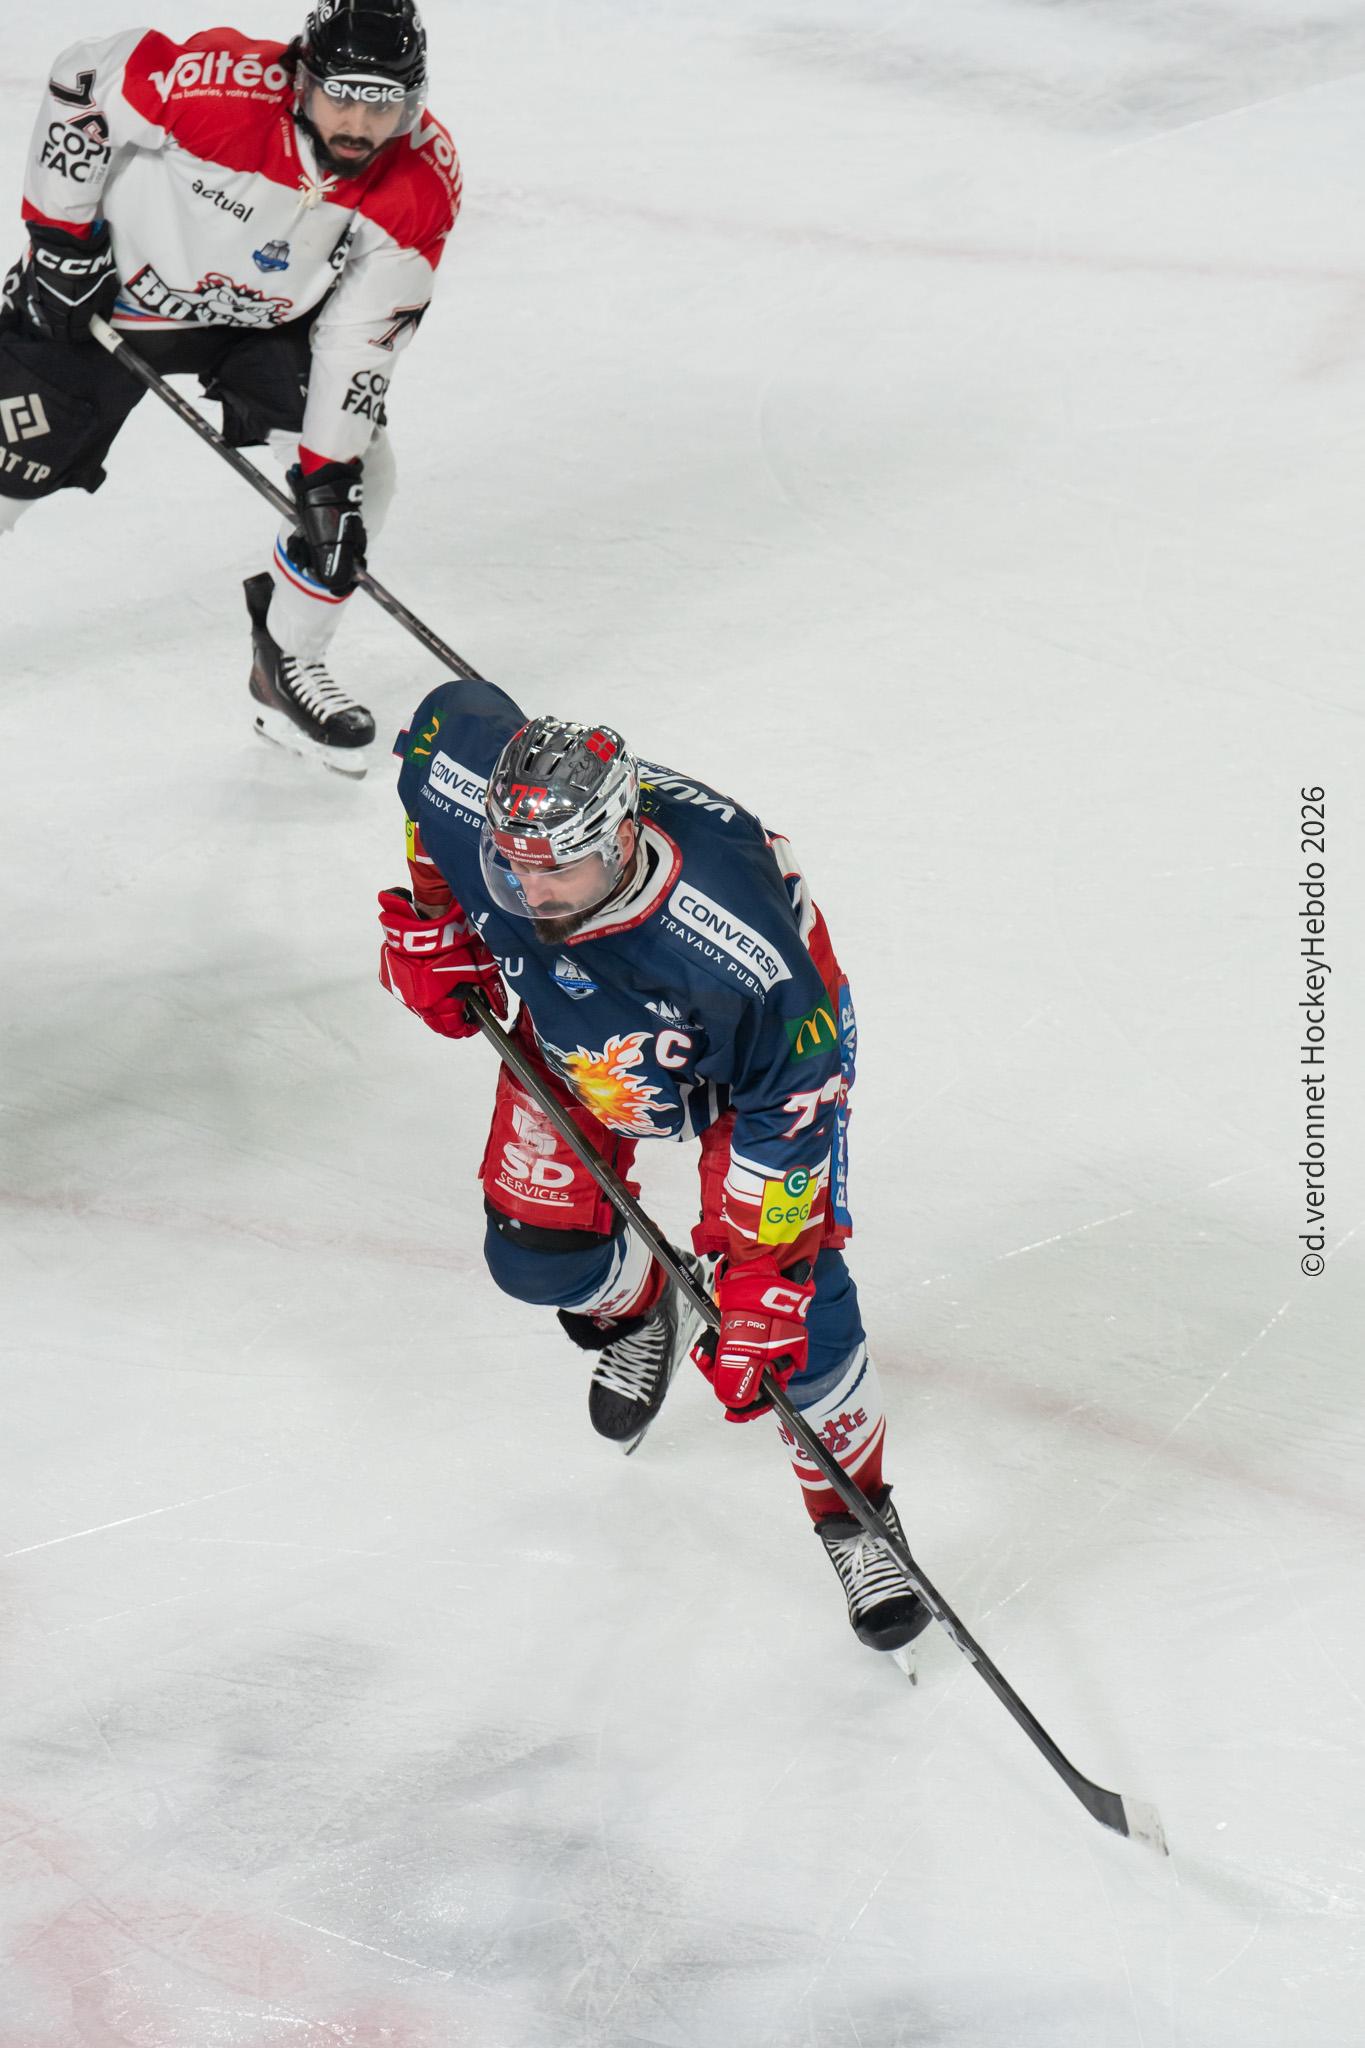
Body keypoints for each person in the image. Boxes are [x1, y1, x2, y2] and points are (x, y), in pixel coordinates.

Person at [378, 681, 933, 1657]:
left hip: (745, 1063)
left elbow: (787, 1109)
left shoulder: (745, 957)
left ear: (623, 840)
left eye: (558, 870)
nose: (531, 892)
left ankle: (857, 1520)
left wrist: (761, 1275)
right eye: (513, 866)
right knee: (535, 1257)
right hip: (582, 1027)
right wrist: (439, 917)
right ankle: (645, 1307)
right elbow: (441, 733)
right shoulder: (478, 796)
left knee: (795, 1310)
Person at [0, 1, 459, 777]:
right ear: (302, 79)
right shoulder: (221, 88)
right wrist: (60, 237)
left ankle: (286, 664)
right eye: (342, 96)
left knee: (356, 484)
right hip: (107, 298)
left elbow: (360, 336)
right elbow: (84, 78)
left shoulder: (419, 179)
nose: (358, 123)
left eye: (382, 104)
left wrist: (326, 478)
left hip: (260, 329)